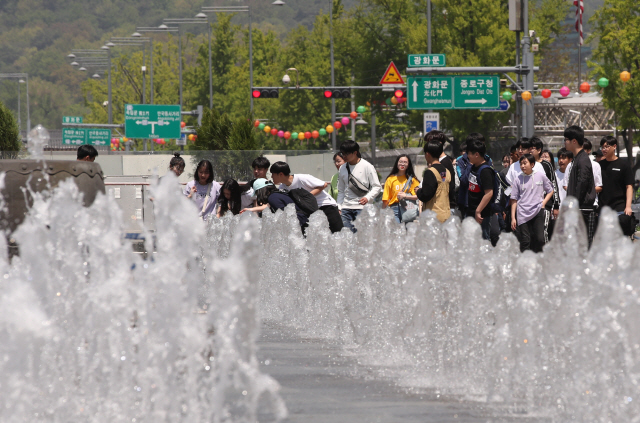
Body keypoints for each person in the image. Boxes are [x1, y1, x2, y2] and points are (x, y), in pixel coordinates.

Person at [270, 161, 343, 233]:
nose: (271, 177)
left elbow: (324, 184)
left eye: (272, 174)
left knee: (338, 233)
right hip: (312, 211)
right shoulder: (282, 187)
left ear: (281, 174)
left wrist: (307, 196)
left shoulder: (301, 178)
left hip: (326, 206)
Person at [510, 154, 554, 253]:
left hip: (538, 211)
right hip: (522, 213)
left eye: (525, 163)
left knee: (540, 239)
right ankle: (524, 263)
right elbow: (514, 199)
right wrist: (513, 218)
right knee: (525, 241)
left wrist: (543, 203)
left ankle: (539, 261)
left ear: (532, 164)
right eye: (521, 164)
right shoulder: (518, 179)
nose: (522, 166)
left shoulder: (540, 176)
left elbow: (550, 190)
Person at [337, 140, 382, 232]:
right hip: (346, 209)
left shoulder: (367, 166)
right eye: (342, 154)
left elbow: (377, 186)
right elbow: (341, 190)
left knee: (362, 236)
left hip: (362, 208)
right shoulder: (343, 168)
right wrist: (339, 207)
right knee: (347, 237)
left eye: (346, 154)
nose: (344, 156)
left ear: (355, 153)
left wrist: (368, 197)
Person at [564, 125, 597, 247]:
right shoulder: (578, 158)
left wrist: (574, 204)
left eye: (566, 139)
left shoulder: (582, 160)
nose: (564, 142)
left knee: (582, 246)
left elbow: (582, 183)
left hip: (582, 210)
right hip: (579, 209)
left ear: (574, 141)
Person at [461, 138, 496, 244]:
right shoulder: (473, 167)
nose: (467, 156)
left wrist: (478, 211)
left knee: (484, 241)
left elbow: (489, 193)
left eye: (469, 154)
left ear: (476, 154)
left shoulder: (485, 170)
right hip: (472, 212)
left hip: (482, 215)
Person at [598, 135, 635, 234]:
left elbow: (629, 186)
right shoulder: (599, 165)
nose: (604, 149)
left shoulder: (623, 165)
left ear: (614, 146)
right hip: (603, 209)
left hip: (619, 209)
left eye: (606, 146)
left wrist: (628, 206)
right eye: (602, 147)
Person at [530, 137, 560, 240]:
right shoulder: (526, 164)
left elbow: (553, 184)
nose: (530, 150)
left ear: (539, 150)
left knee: (543, 231)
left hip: (545, 204)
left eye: (532, 148)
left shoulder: (546, 165)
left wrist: (556, 204)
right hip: (529, 204)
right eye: (529, 148)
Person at [416, 140, 451, 223]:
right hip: (446, 213)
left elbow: (426, 195)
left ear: (427, 154)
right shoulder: (447, 171)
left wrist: (418, 191)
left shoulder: (430, 172)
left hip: (433, 215)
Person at [425, 130, 457, 215]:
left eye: (430, 143)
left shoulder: (444, 163)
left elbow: (444, 186)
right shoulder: (440, 162)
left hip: (444, 208)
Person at [381, 155, 420, 223]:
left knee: (408, 231)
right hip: (394, 209)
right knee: (396, 232)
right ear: (397, 163)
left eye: (405, 162)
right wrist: (382, 214)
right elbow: (385, 199)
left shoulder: (412, 179)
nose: (402, 164)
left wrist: (405, 196)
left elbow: (418, 196)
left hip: (408, 208)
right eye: (400, 162)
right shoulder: (390, 179)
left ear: (408, 165)